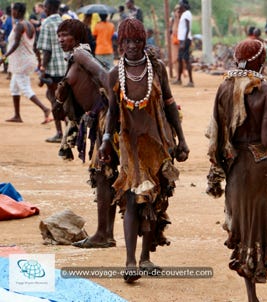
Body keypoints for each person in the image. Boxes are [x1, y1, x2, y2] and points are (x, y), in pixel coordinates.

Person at [206, 38, 267, 302]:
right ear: (261, 61)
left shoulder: (224, 88)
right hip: (266, 168)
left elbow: (218, 134)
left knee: (244, 233)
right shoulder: (266, 90)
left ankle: (252, 297)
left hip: (238, 170)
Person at [99, 17, 189, 283]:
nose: (133, 46)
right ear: (120, 43)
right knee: (130, 199)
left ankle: (145, 258)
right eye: (127, 41)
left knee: (154, 200)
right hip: (130, 145)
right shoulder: (115, 75)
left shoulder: (157, 68)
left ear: (144, 41)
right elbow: (113, 112)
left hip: (158, 144)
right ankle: (129, 262)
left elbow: (171, 105)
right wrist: (105, 140)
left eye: (137, 41)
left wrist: (181, 140)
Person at [53, 18, 117, 249]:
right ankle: (106, 233)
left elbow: (104, 76)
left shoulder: (81, 55)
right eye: (59, 35)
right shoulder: (74, 57)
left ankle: (103, 234)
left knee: (102, 174)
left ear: (77, 37)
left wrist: (112, 112)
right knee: (105, 176)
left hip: (105, 119)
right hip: (100, 119)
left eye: (66, 35)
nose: (61, 39)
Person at [0, 2, 51, 124]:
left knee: (25, 88)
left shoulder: (19, 26)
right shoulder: (29, 24)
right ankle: (17, 115)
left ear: (17, 11)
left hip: (21, 62)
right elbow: (33, 45)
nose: (12, 13)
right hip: (27, 59)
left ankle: (45, 109)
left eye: (13, 10)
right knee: (14, 87)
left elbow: (16, 43)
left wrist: (4, 57)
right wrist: (38, 60)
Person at [37, 0, 67, 143]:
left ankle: (60, 133)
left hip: (54, 69)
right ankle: (69, 127)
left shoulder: (47, 23)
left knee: (53, 97)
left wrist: (42, 69)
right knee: (65, 98)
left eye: (45, 6)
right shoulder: (64, 22)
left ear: (49, 8)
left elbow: (46, 50)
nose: (44, 9)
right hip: (67, 68)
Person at [172, 0, 194, 87]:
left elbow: (187, 28)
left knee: (186, 60)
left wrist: (184, 42)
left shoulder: (187, 14)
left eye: (180, 5)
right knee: (180, 59)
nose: (179, 7)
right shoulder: (184, 14)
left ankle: (191, 81)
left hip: (185, 40)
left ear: (183, 6)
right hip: (182, 40)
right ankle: (178, 79)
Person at [169, 4, 181, 77]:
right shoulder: (172, 19)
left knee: (180, 59)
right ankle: (177, 74)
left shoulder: (182, 19)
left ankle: (180, 73)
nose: (177, 11)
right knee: (174, 59)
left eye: (179, 10)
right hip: (174, 40)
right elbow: (170, 31)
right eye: (176, 10)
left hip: (181, 40)